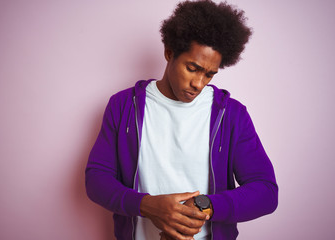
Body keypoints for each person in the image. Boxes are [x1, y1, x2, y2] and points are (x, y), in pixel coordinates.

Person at [85, 0, 278, 239]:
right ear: (169, 53)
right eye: (192, 68)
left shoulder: (232, 115)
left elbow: (266, 191)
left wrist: (203, 206)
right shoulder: (124, 105)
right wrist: (147, 206)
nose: (198, 83)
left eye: (209, 74)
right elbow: (96, 179)